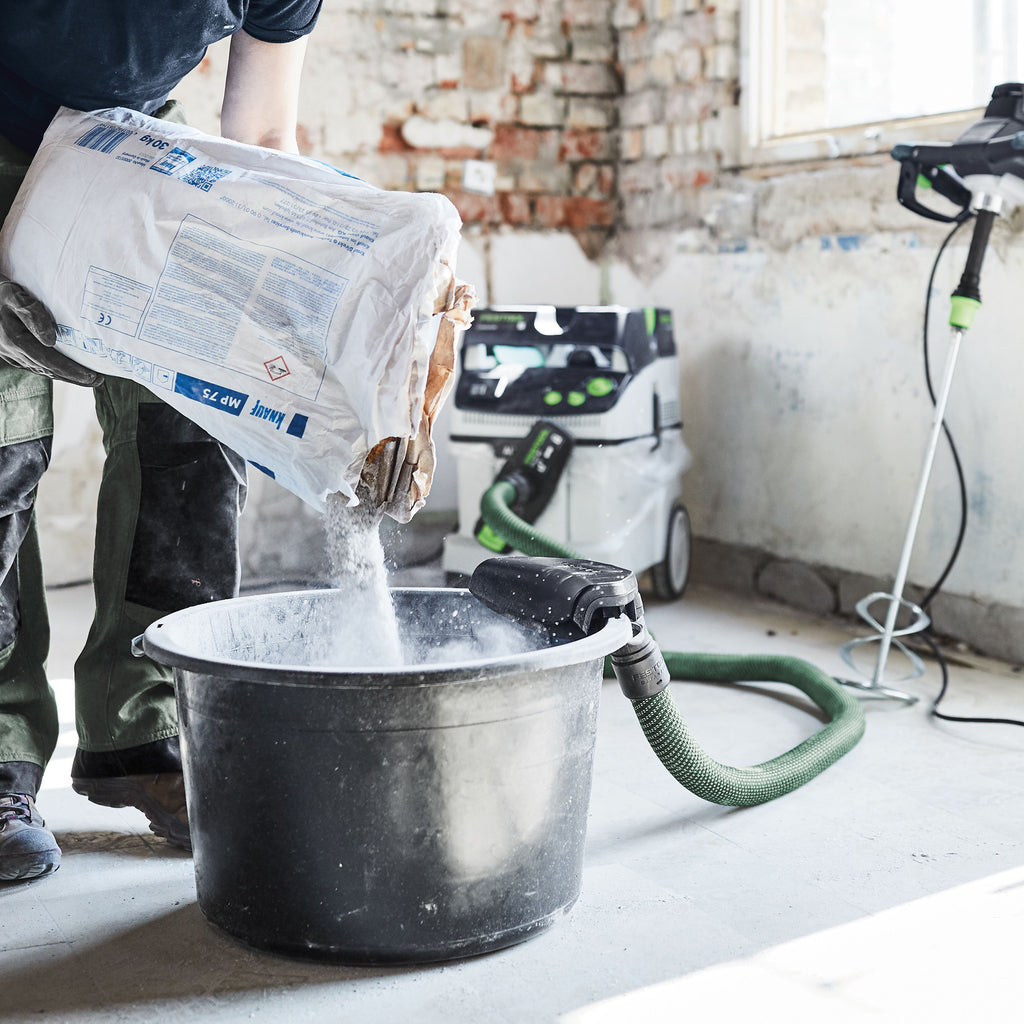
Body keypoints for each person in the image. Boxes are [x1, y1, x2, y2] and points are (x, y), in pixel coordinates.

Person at [0, 1, 322, 882]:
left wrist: (331, 268)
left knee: (198, 417)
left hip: (133, 147)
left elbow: (260, 131)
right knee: (1, 444)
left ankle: (146, 733)